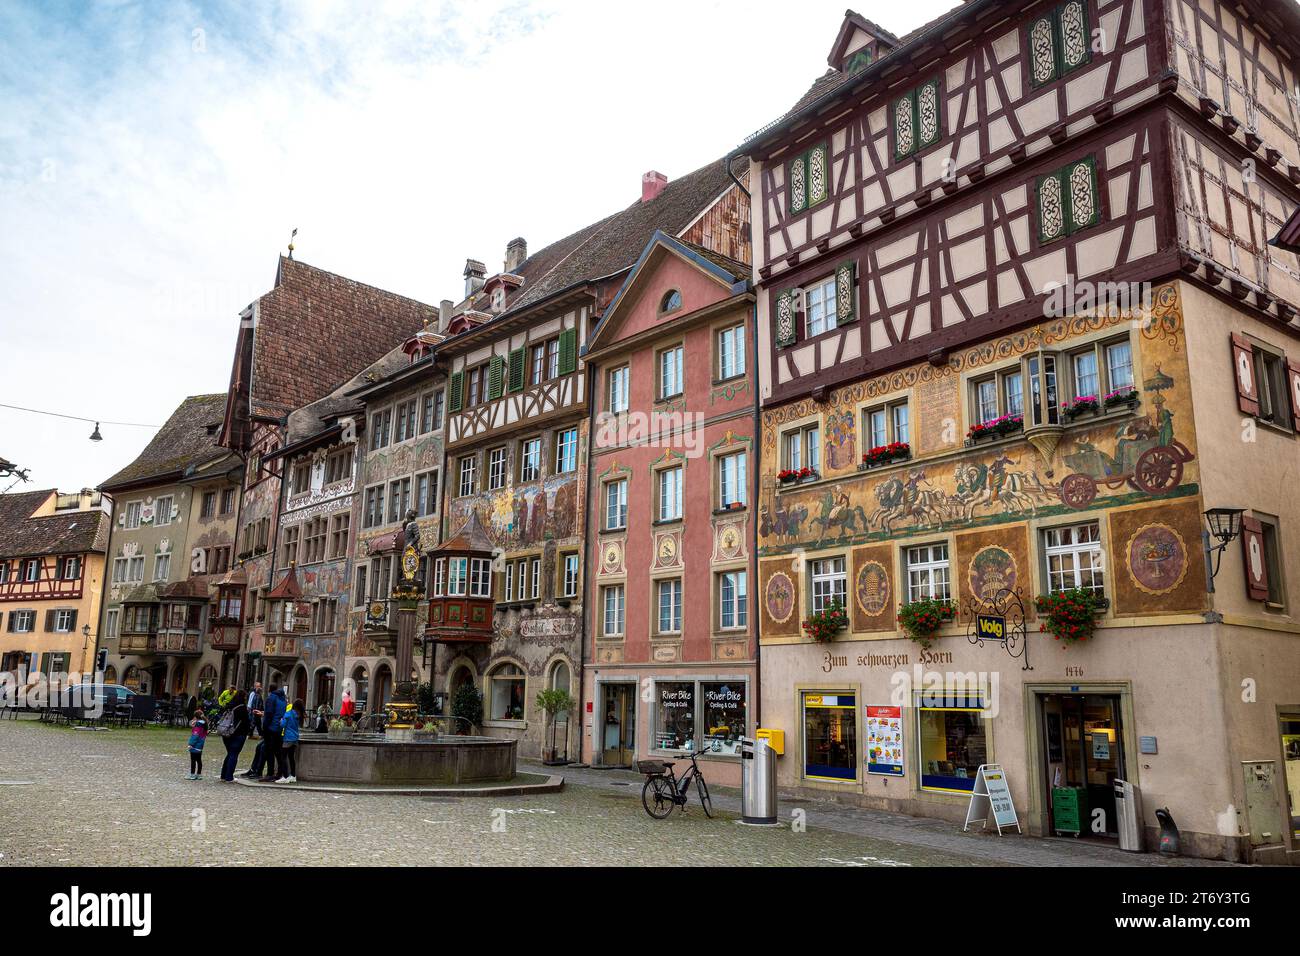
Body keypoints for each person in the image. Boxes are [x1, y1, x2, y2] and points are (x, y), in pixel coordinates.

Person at [218, 690, 252, 782]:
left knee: (229, 754)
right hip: (238, 734)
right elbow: (246, 722)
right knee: (233, 755)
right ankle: (229, 777)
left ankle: (223, 775)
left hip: (226, 732)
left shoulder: (229, 705)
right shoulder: (242, 707)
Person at [258, 684, 287, 782]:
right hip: (278, 728)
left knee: (269, 751)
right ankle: (280, 772)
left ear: (269, 690)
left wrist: (264, 727)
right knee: (278, 752)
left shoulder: (271, 698)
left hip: (271, 728)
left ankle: (270, 773)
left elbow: (269, 713)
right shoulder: (283, 699)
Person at [241, 681, 266, 779]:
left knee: (262, 748)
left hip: (256, 713)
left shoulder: (256, 696)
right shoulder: (255, 695)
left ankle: (257, 771)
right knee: (260, 748)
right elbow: (253, 704)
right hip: (255, 712)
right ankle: (255, 770)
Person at [279, 697, 303, 783]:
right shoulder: (298, 715)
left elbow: (283, 725)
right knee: (291, 757)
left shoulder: (288, 714)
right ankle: (293, 775)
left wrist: (281, 720)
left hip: (288, 738)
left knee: (283, 757)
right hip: (295, 738)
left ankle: (285, 776)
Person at [188, 708, 208, 780]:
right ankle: (199, 774)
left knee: (193, 760)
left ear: (195, 717)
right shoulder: (204, 724)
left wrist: (191, 744)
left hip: (195, 746)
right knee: (199, 760)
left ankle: (192, 774)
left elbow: (195, 736)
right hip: (200, 746)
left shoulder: (198, 725)